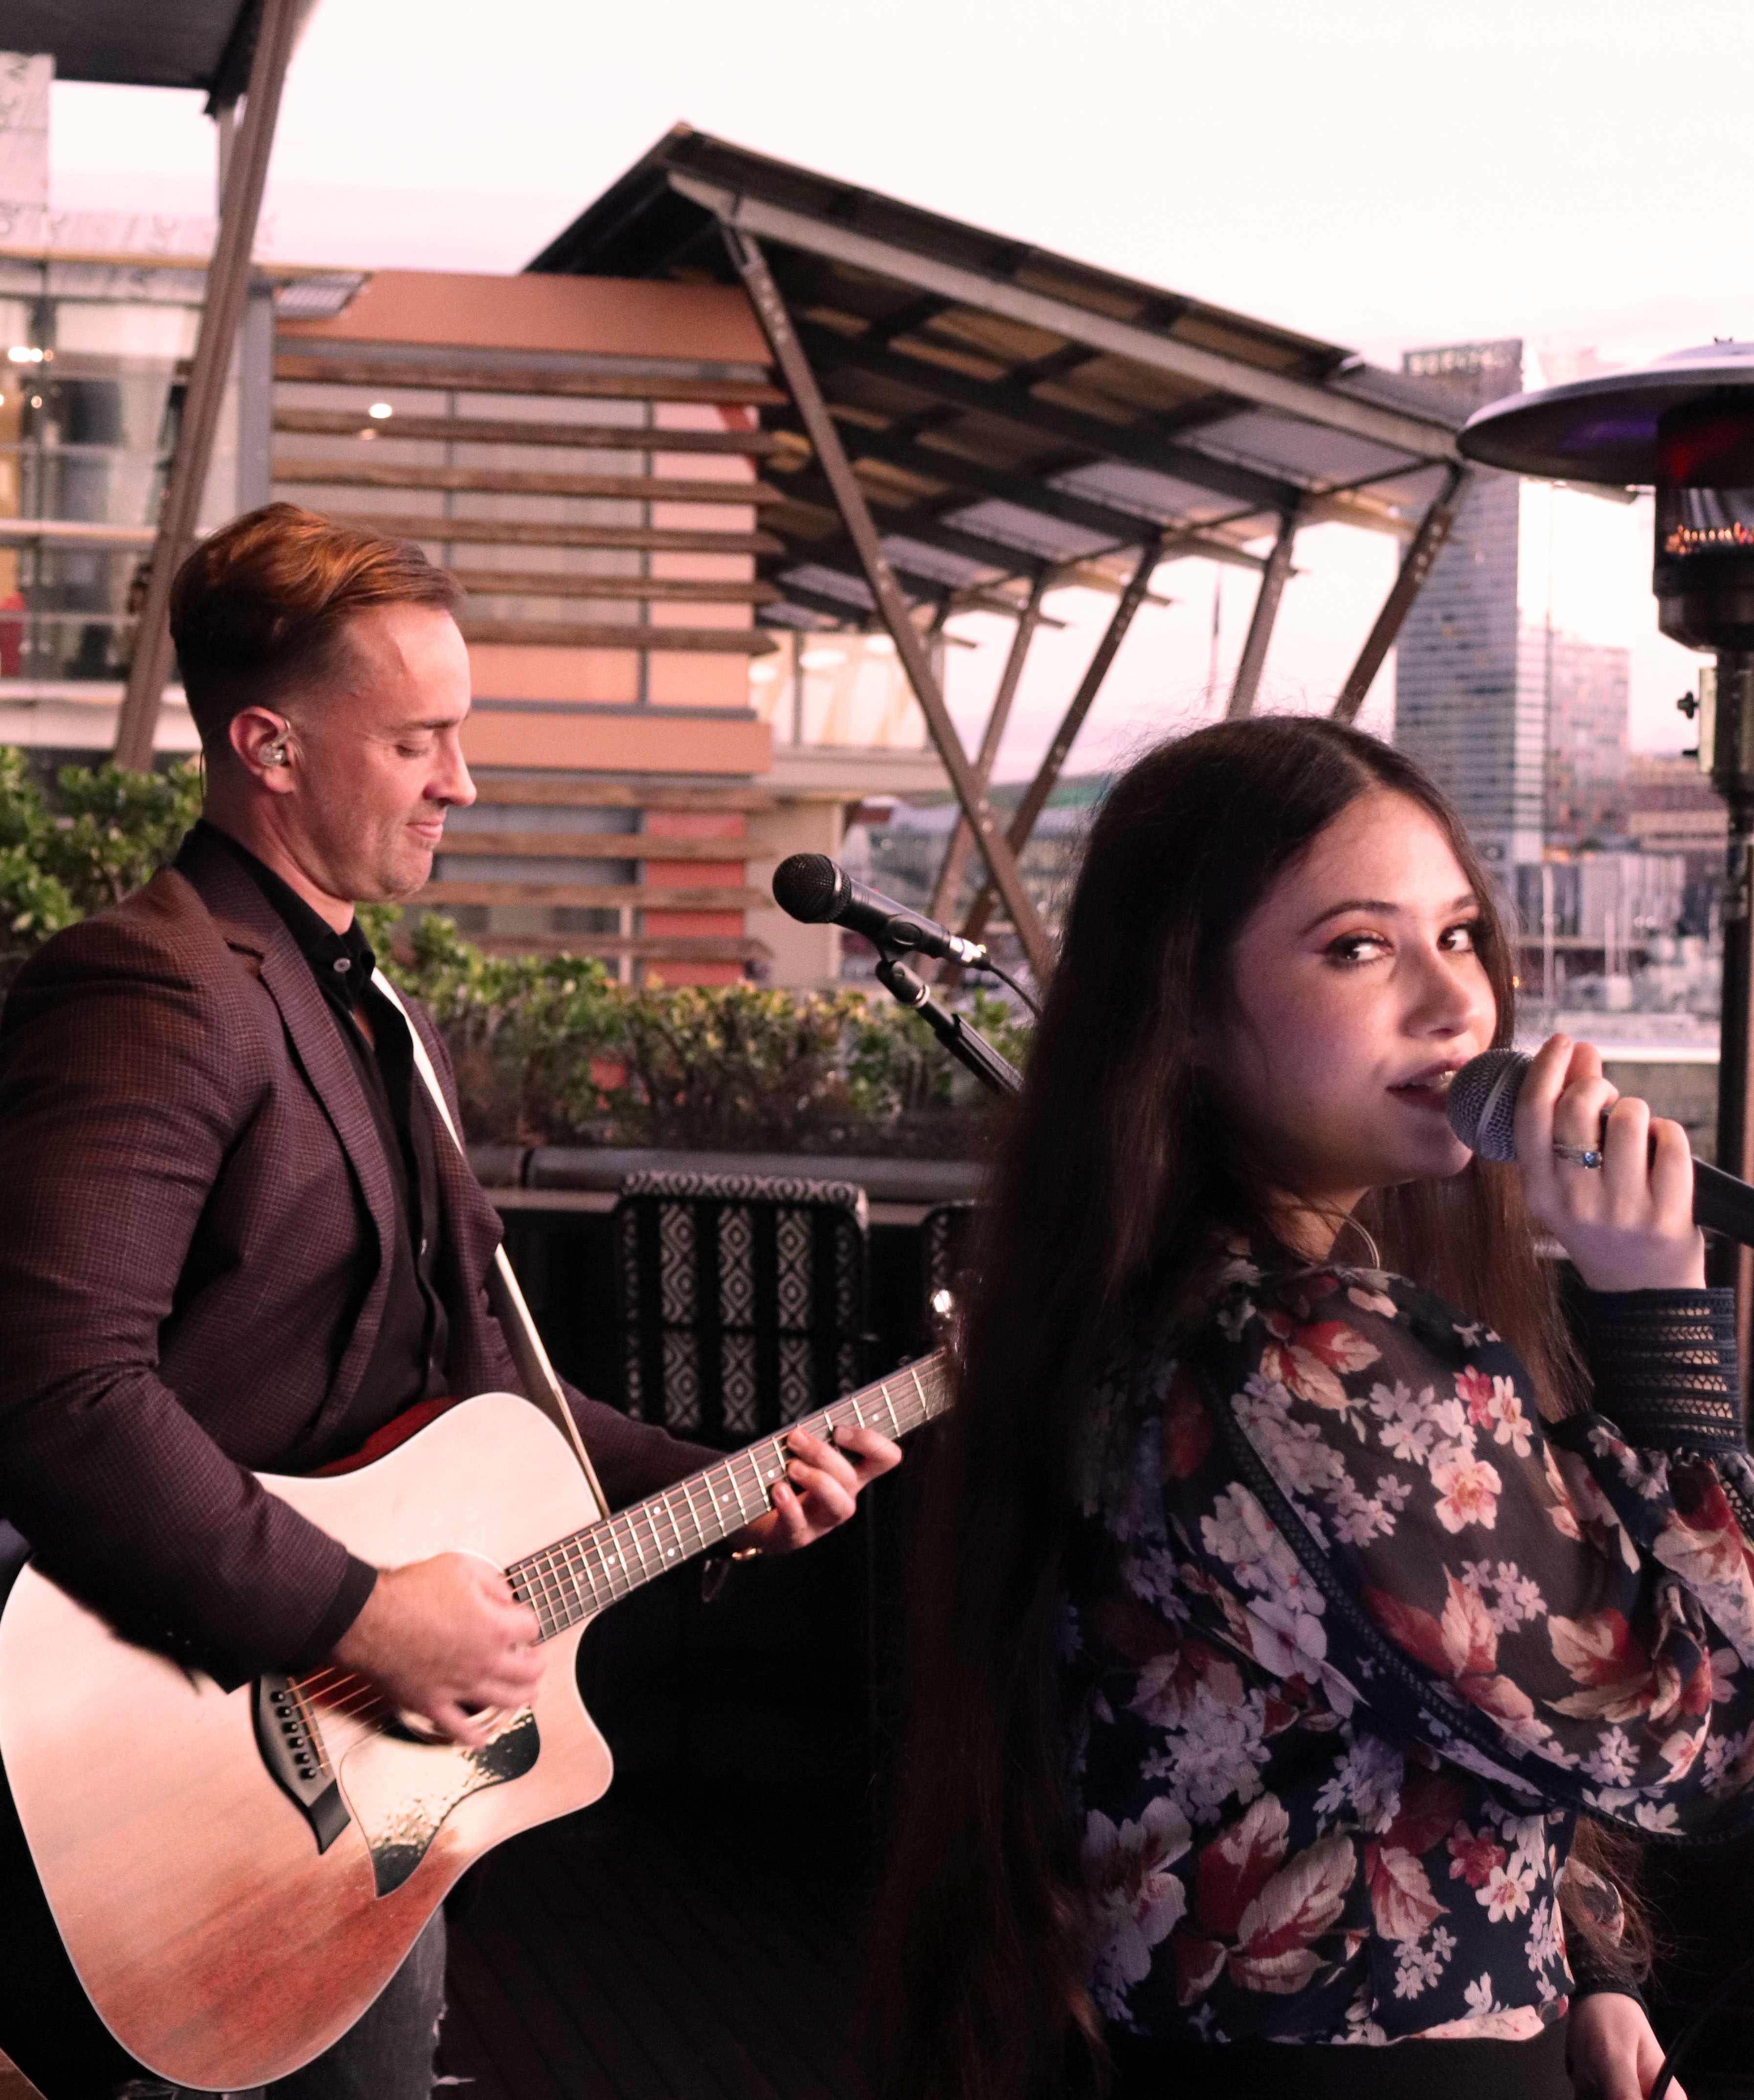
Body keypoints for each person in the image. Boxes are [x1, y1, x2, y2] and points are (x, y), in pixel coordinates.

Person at [0, 502, 900, 2100]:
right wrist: (356, 1616)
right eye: (418, 740)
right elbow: (54, 1392)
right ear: (269, 746)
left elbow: (487, 1374)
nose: (461, 783)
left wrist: (718, 1489)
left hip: (354, 1785)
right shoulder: (152, 984)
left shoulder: (373, 1010)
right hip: (186, 1762)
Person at [865, 716, 1754, 2100]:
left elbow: (1389, 1724)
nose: (1454, 1005)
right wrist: (1659, 1315)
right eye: (1357, 948)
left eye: (1458, 935)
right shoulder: (1296, 1351)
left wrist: (1575, 1963)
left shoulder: (1152, 1303)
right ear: (1183, 1012)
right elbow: (1699, 1738)